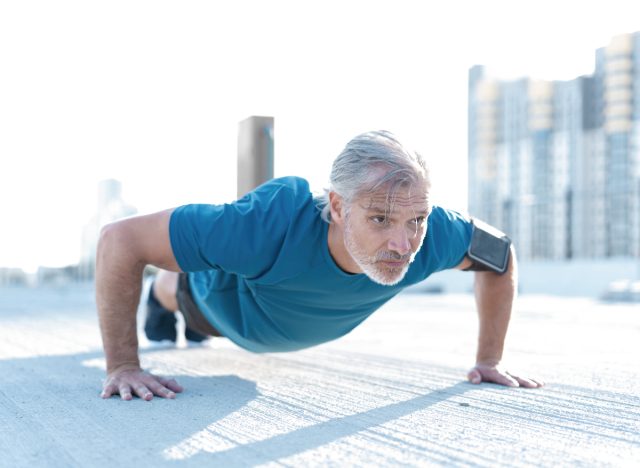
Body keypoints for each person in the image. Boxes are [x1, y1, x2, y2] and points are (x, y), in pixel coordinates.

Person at [97, 130, 544, 401]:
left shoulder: (434, 232)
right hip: (222, 307)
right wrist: (122, 365)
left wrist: (489, 359)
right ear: (336, 206)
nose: (403, 243)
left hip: (278, 318)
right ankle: (165, 298)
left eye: (416, 220)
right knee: (182, 292)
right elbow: (119, 240)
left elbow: (499, 256)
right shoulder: (267, 222)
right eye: (379, 218)